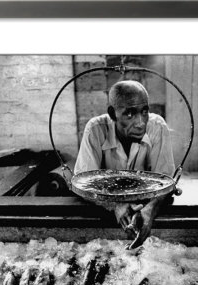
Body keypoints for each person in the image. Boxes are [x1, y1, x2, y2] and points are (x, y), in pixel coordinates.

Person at [74, 80, 175, 248]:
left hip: (145, 204)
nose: (141, 122)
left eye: (144, 112)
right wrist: (115, 205)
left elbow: (166, 181)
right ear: (113, 114)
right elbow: (83, 184)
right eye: (130, 114)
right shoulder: (95, 129)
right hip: (104, 214)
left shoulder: (157, 127)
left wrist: (149, 210)